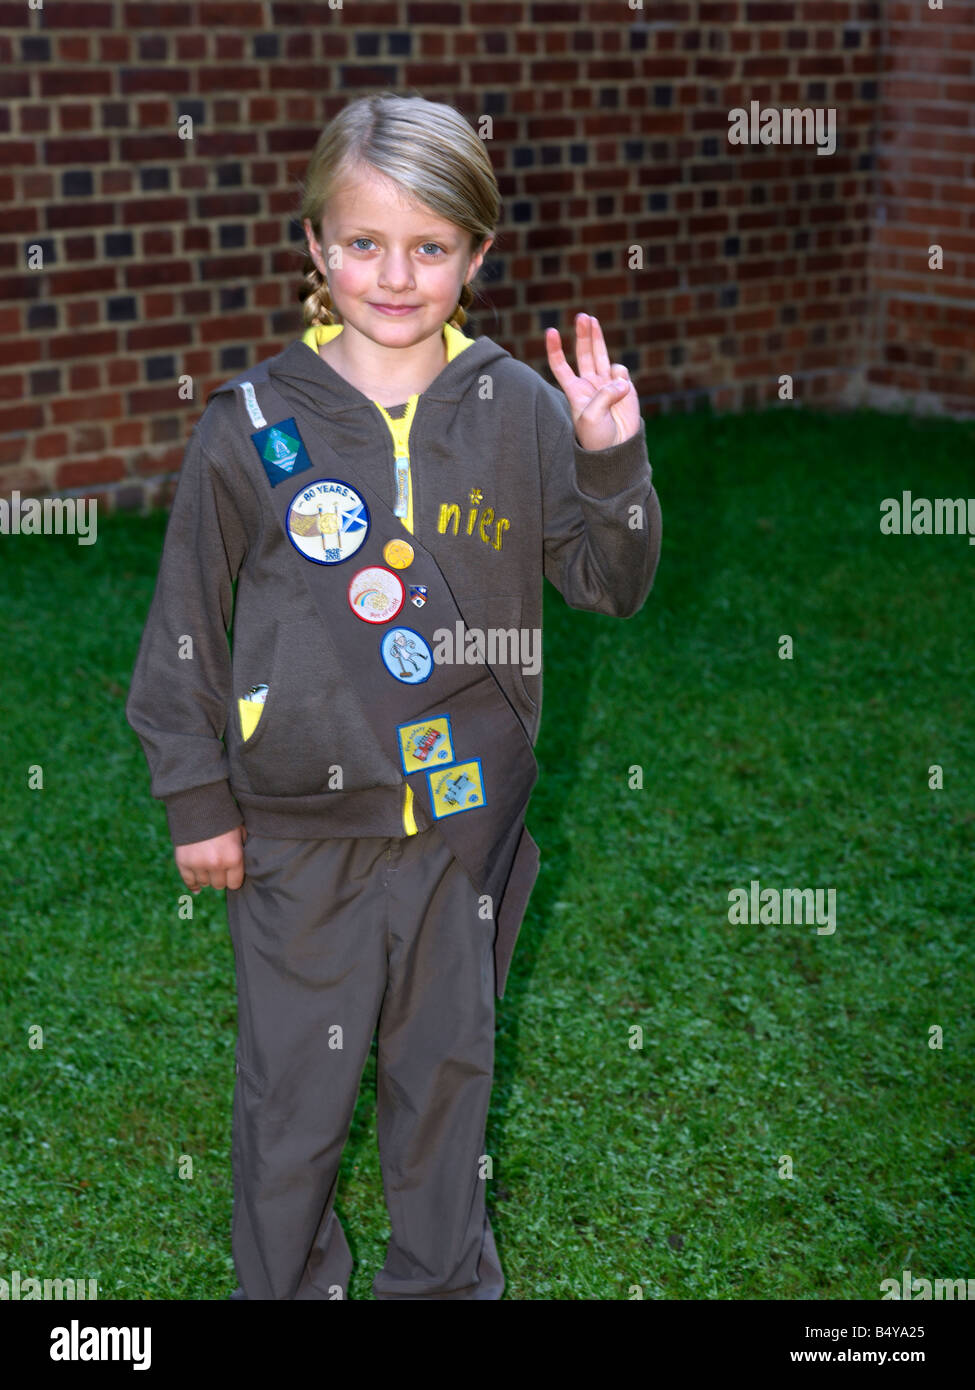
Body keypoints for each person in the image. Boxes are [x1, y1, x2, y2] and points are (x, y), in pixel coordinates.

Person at [125, 92, 663, 1301]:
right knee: (292, 1104)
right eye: (364, 241)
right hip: (297, 832)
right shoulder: (250, 426)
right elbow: (180, 640)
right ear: (314, 243)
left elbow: (608, 585)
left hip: (462, 832)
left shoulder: (520, 408)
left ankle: (442, 1287)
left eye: (430, 245)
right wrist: (195, 793)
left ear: (477, 251)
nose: (396, 274)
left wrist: (610, 457)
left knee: (445, 1084)